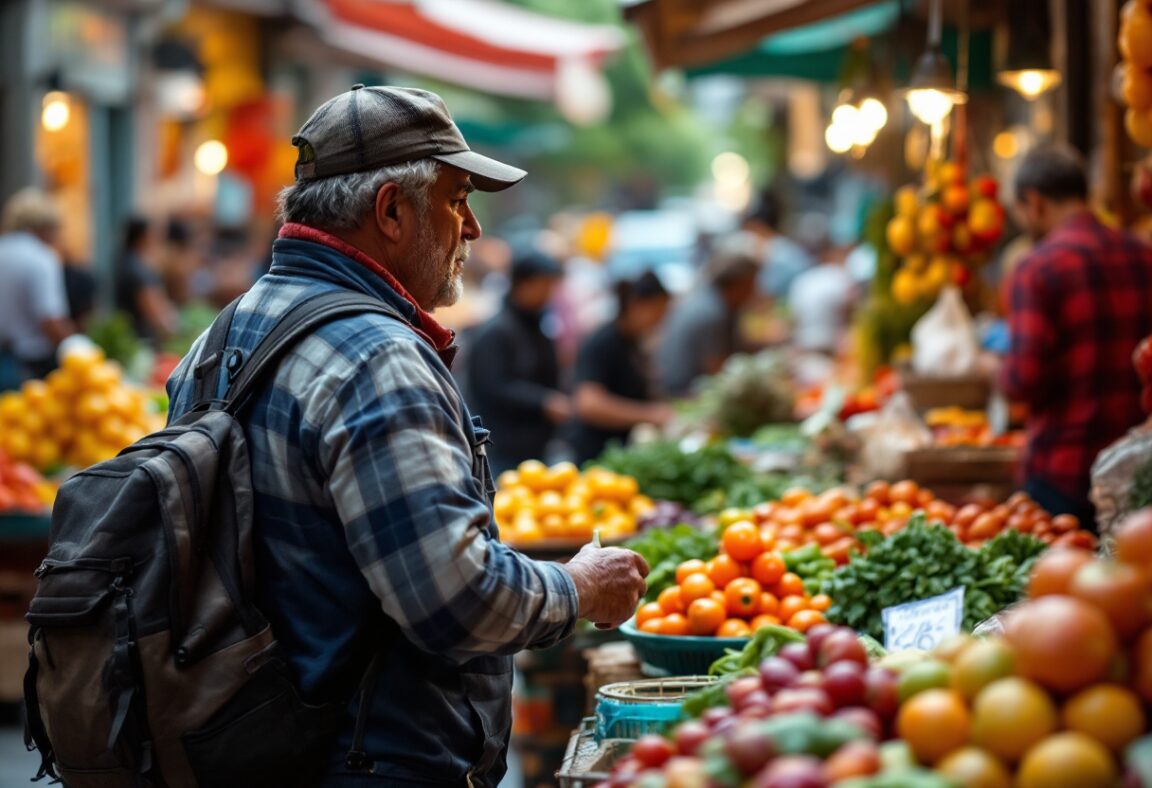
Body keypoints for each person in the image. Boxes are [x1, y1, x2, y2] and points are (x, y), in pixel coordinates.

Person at [164, 84, 648, 787]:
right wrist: (580, 586)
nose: (473, 229)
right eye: (456, 201)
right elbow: (457, 601)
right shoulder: (375, 356)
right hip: (370, 759)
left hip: (246, 746)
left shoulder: (221, 335)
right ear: (391, 210)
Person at [998, 145, 1152, 527]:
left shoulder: (1037, 268)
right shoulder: (1143, 255)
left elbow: (1023, 381)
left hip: (1064, 472)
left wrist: (994, 371)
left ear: (1034, 202)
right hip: (1137, 473)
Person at [463, 249, 571, 474]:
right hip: (503, 448)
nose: (548, 294)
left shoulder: (535, 325)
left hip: (535, 445)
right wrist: (543, 401)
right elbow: (493, 387)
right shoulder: (495, 332)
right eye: (544, 286)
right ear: (523, 284)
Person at [568, 271, 675, 463]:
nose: (661, 320)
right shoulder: (604, 342)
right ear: (637, 305)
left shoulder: (633, 341)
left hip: (621, 452)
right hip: (597, 456)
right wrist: (649, 414)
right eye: (658, 311)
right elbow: (589, 404)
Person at [656, 251, 760, 396]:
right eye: (752, 284)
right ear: (738, 285)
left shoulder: (710, 296)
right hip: (684, 391)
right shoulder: (712, 313)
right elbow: (717, 369)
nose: (756, 291)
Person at [0, 188, 75, 387]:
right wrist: (75, 348)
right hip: (31, 364)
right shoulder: (41, 257)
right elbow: (49, 318)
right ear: (44, 226)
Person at [115, 216, 179, 343]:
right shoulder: (137, 269)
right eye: (154, 235)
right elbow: (155, 313)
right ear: (142, 237)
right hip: (140, 339)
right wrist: (174, 329)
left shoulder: (126, 262)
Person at [741, 193, 814, 300]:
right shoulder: (783, 247)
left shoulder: (776, 253)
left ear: (757, 227)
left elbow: (768, 291)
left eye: (750, 231)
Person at [788, 243, 857, 355]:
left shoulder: (802, 279)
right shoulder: (840, 276)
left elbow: (794, 316)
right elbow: (850, 311)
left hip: (804, 341)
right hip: (832, 343)